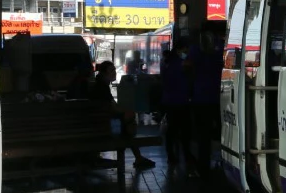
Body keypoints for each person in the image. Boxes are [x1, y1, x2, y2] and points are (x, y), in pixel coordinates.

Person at [91, 60, 155, 170]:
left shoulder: (98, 85)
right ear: (104, 73)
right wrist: (128, 112)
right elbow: (114, 108)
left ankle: (138, 157)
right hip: (106, 128)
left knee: (126, 125)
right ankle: (138, 157)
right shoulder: (102, 88)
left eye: (114, 70)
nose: (114, 72)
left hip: (100, 125)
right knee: (128, 123)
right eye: (111, 70)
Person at [161, 41, 197, 176]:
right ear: (179, 50)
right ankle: (185, 155)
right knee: (184, 130)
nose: (186, 54)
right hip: (179, 101)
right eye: (185, 50)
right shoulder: (180, 64)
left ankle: (172, 155)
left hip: (170, 101)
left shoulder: (168, 62)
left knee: (172, 130)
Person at [190, 26, 223, 173]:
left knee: (203, 136)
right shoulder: (220, 48)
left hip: (201, 99)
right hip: (219, 97)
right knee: (223, 132)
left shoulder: (196, 50)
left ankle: (203, 167)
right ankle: (223, 162)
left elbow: (188, 69)